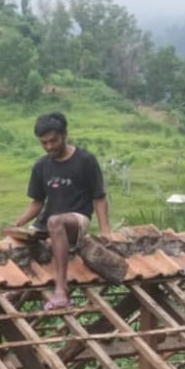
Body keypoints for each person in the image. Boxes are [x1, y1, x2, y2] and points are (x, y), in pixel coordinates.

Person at [10, 112, 111, 310]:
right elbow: (37, 203)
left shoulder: (86, 160)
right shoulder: (41, 166)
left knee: (55, 221)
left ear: (64, 135)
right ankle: (17, 286)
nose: (49, 146)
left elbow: (99, 198)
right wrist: (17, 224)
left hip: (76, 220)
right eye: (44, 143)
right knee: (10, 243)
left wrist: (106, 231)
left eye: (53, 141)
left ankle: (61, 288)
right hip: (46, 223)